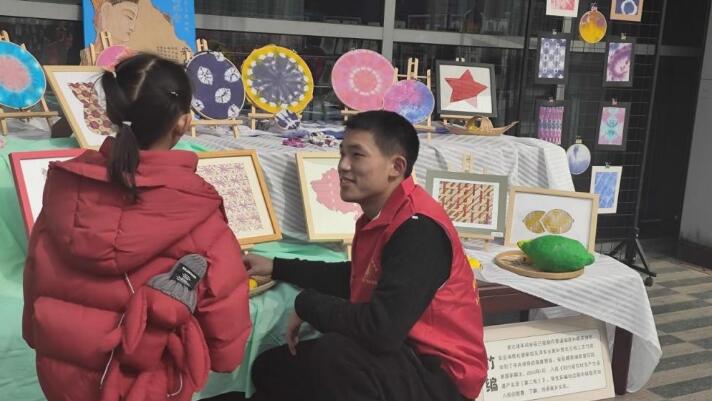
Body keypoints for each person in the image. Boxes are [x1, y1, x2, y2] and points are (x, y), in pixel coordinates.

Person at [22, 54, 251, 401]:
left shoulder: (66, 190)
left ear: (114, 112)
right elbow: (225, 318)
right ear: (183, 122)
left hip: (61, 377)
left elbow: (35, 277)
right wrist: (223, 356)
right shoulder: (197, 209)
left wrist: (36, 333)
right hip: (146, 384)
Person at [245, 110, 488, 401]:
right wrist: (275, 266)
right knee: (271, 369)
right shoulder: (382, 215)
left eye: (357, 155)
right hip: (402, 356)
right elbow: (357, 277)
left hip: (440, 377)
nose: (343, 166)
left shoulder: (418, 229)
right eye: (342, 153)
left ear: (396, 166)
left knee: (335, 354)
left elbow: (381, 330)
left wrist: (307, 303)